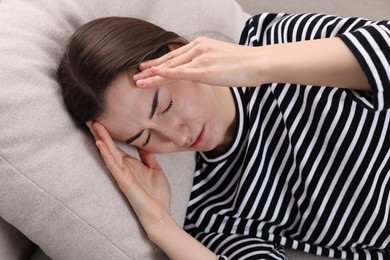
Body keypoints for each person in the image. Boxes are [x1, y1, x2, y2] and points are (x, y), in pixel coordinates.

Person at [57, 13, 390, 259]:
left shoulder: (275, 44)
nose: (176, 135)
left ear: (177, 52)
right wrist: (160, 224)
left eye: (166, 105)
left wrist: (260, 64)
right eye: (145, 137)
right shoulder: (208, 205)